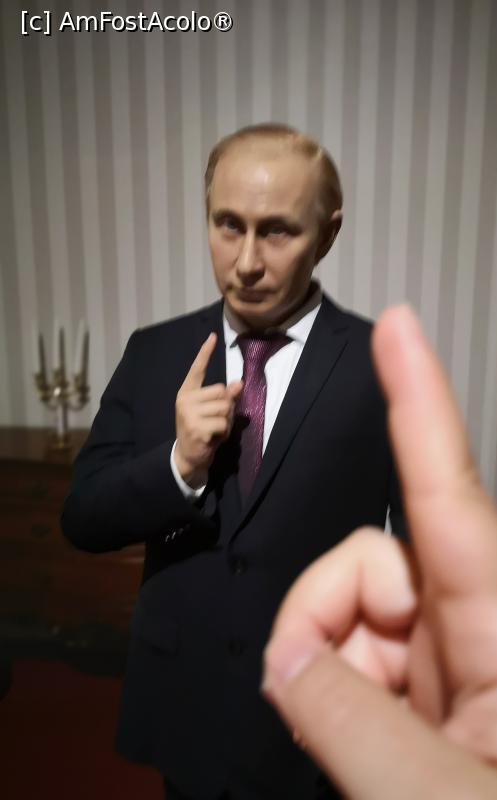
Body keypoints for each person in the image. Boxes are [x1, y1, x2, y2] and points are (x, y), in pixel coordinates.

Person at [61, 123, 405, 800]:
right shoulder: (154, 352)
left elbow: (423, 553)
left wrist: (385, 669)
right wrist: (179, 465)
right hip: (186, 706)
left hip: (318, 716)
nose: (246, 262)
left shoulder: (383, 363)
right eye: (228, 225)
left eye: (276, 231)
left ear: (327, 234)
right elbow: (83, 518)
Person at [263, 306, 497, 800]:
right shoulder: (165, 351)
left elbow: (410, 524)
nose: (247, 268)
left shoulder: (358, 358)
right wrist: (180, 467)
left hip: (347, 679)